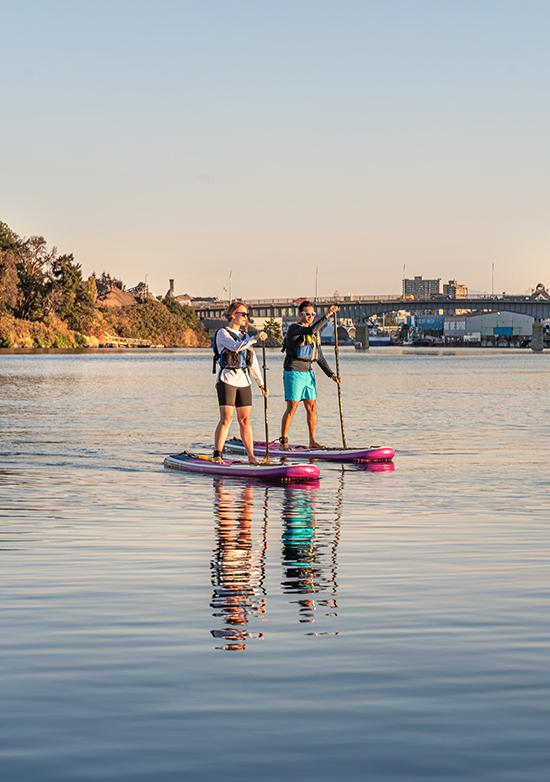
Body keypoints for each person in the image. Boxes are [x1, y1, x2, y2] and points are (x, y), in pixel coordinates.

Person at [213, 300, 268, 464]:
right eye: (242, 313)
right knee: (226, 418)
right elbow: (236, 347)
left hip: (244, 381)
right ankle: (217, 454)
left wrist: (261, 384)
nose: (245, 317)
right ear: (232, 315)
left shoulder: (245, 337)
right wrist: (255, 338)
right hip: (227, 379)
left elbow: (253, 362)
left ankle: (251, 456)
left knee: (245, 419)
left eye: (247, 314)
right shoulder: (222, 333)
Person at [280, 301, 340, 449]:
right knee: (292, 407)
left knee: (312, 407)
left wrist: (331, 375)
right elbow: (312, 330)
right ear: (300, 314)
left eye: (313, 314)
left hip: (308, 373)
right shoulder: (294, 328)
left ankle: (312, 441)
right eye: (307, 314)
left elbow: (318, 356)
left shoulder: (315, 333)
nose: (310, 316)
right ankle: (284, 442)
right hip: (293, 371)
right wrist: (327, 315)